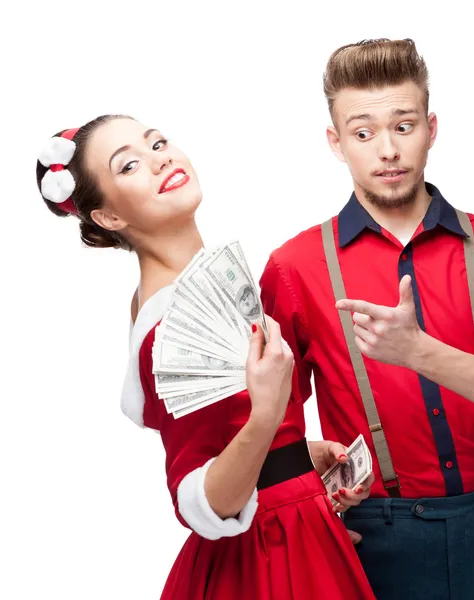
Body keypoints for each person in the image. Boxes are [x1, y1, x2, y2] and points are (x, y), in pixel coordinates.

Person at [259, 38, 474, 599]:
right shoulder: (294, 267)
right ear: (336, 143)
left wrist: (416, 351)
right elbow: (269, 424)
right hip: (371, 536)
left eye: (403, 126)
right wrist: (309, 509)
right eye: (363, 133)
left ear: (431, 127)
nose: (387, 150)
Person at [36, 115, 376, 600]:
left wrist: (297, 456)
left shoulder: (193, 292)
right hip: (263, 559)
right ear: (109, 218)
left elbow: (226, 433)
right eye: (130, 165)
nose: (160, 158)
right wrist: (264, 420)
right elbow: (197, 498)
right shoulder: (172, 325)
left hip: (298, 525)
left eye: (158, 142)